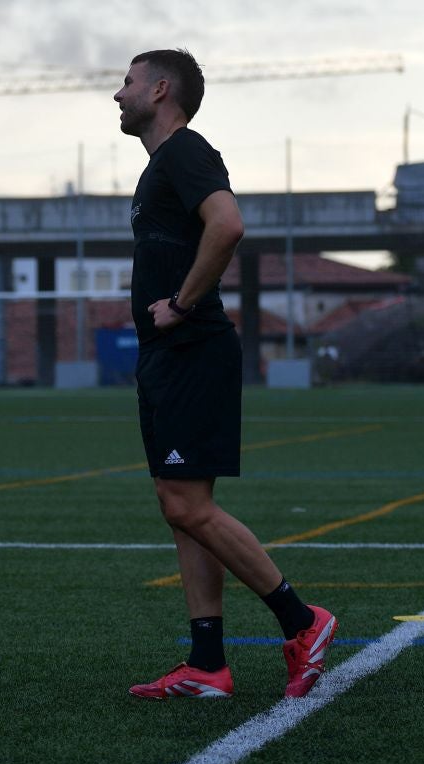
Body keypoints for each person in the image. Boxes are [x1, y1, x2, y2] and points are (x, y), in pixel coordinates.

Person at [114, 47, 336, 701]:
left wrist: (180, 307)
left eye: (126, 82)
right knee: (178, 507)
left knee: (188, 504)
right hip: (165, 356)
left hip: (192, 350)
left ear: (160, 90)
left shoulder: (185, 152)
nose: (116, 94)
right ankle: (207, 664)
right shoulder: (161, 166)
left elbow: (228, 225)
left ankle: (303, 621)